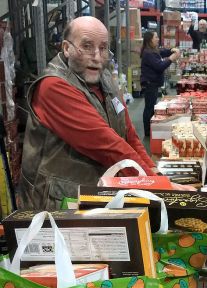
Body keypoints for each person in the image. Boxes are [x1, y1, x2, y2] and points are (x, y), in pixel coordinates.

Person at [19, 16, 190, 211]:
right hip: (56, 206)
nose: (97, 57)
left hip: (95, 195)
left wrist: (154, 176)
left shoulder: (105, 78)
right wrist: (158, 187)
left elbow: (129, 135)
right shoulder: (53, 86)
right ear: (66, 48)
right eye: (87, 46)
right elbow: (107, 145)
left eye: (102, 48)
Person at [140, 31, 180, 137]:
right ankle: (148, 132)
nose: (158, 39)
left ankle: (152, 128)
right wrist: (171, 58)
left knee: (151, 106)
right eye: (156, 37)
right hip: (150, 83)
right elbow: (159, 66)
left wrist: (171, 50)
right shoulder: (148, 53)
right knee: (149, 107)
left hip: (153, 83)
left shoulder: (153, 50)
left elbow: (162, 52)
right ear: (150, 40)